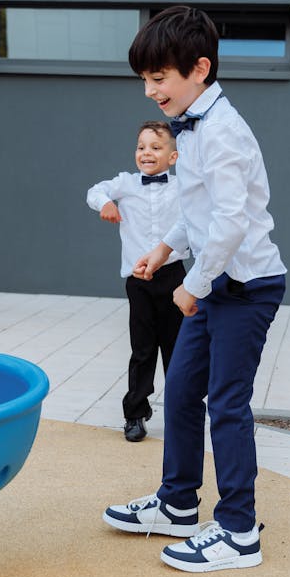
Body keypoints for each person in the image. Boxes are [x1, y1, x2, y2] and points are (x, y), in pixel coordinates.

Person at [102, 6, 287, 573]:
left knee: (227, 402)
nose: (151, 90)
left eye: (160, 77)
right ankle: (179, 503)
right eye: (145, 80)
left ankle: (237, 531)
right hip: (215, 282)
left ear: (199, 68)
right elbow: (198, 212)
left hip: (245, 287)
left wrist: (193, 286)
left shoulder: (223, 131)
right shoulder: (193, 127)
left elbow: (231, 223)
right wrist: (164, 250)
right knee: (181, 391)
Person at [86, 121, 186, 442]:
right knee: (142, 350)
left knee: (177, 349)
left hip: (173, 276)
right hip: (138, 281)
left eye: (156, 148)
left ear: (173, 157)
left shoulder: (182, 187)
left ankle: (181, 413)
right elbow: (95, 190)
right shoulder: (126, 184)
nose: (147, 153)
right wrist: (105, 203)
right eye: (142, 147)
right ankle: (135, 412)